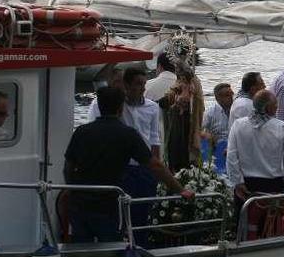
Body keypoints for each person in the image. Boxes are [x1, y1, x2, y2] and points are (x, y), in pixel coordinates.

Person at [64, 87, 191, 243]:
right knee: (111, 246)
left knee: (81, 247)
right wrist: (180, 189)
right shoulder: (127, 134)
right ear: (120, 108)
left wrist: (72, 189)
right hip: (108, 204)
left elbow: (68, 167)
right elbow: (154, 165)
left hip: (81, 203)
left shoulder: (81, 132)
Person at [226, 91, 284, 218]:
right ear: (268, 108)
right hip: (273, 184)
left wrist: (238, 182)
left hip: (246, 184)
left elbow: (231, 157)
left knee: (244, 224)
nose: (277, 108)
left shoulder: (238, 125)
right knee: (269, 226)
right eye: (275, 105)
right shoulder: (281, 127)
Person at [161, 69, 205, 171]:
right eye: (180, 79)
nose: (182, 81)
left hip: (190, 124)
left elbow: (198, 103)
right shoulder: (176, 89)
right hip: (177, 124)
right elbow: (165, 101)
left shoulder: (194, 90)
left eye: (184, 79)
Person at [201, 82, 233, 148]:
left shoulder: (237, 110)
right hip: (217, 147)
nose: (231, 98)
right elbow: (199, 130)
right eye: (227, 95)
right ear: (218, 98)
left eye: (231, 94)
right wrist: (206, 135)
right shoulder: (210, 113)